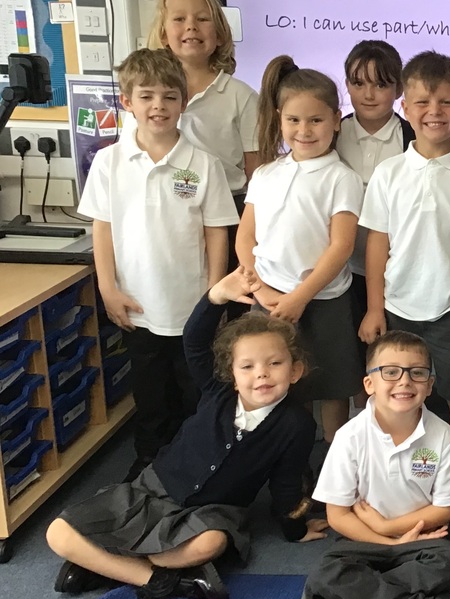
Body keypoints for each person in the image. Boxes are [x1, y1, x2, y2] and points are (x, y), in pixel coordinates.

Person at [47, 269, 326, 599]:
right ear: (232, 375)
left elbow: (286, 483)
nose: (262, 374)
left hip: (213, 512)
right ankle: (154, 578)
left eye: (275, 363)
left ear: (295, 371)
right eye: (247, 367)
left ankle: (103, 566)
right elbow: (193, 340)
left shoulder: (297, 425)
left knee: (210, 545)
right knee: (58, 533)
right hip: (151, 490)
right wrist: (215, 298)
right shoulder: (216, 391)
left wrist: (296, 528)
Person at [357, 51, 450, 527]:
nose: (434, 111)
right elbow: (377, 243)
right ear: (405, 107)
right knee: (398, 396)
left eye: (446, 102)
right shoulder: (389, 173)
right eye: (421, 102)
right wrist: (374, 307)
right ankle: (400, 481)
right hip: (398, 309)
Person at [79, 48, 238, 481]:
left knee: (195, 391)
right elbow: (102, 229)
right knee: (150, 393)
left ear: (183, 102)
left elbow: (216, 232)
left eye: (169, 96)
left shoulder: (202, 164)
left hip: (191, 306)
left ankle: (195, 464)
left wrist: (214, 297)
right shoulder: (109, 162)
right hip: (137, 305)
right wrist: (107, 289)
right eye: (146, 96)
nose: (158, 106)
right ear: (127, 101)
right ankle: (149, 462)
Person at [298, 331, 450, 599]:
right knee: (328, 569)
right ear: (369, 384)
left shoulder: (444, 435)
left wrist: (389, 529)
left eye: (417, 373)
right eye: (391, 372)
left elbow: (446, 509)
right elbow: (338, 515)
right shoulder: (349, 437)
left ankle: (342, 597)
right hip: (362, 540)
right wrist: (385, 542)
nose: (405, 381)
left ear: (430, 385)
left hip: (423, 541)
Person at [236, 55, 364, 443]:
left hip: (323, 300)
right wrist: (261, 290)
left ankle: (336, 459)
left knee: (331, 385)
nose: (304, 130)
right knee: (280, 386)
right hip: (269, 300)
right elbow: (245, 238)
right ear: (280, 119)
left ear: (336, 120)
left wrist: (300, 297)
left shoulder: (341, 178)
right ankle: (292, 462)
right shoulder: (265, 174)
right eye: (294, 120)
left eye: (316, 120)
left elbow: (341, 246)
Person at [148, 0, 260, 310]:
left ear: (220, 34)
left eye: (202, 19)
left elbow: (256, 172)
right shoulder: (150, 96)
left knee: (230, 308)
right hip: (169, 213)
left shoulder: (241, 96)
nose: (191, 27)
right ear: (163, 34)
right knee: (177, 301)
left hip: (231, 215)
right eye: (179, 19)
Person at [337, 39, 415, 394]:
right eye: (358, 83)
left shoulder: (412, 136)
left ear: (399, 90)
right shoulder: (331, 133)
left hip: (397, 270)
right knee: (351, 360)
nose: (369, 94)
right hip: (342, 270)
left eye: (381, 84)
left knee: (395, 357)